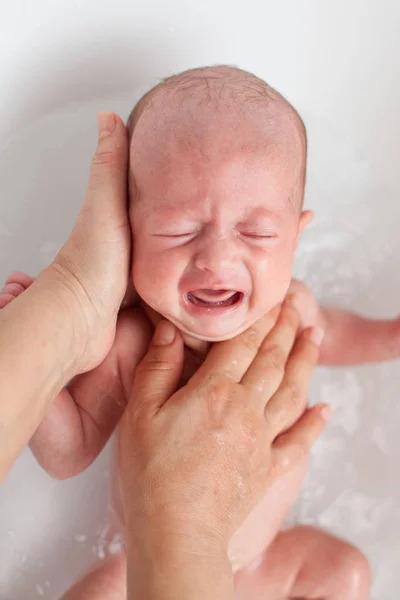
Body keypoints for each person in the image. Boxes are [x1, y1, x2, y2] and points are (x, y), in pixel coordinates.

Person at [3, 65, 393, 597]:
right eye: (178, 230)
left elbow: (337, 336)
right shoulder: (131, 345)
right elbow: (67, 454)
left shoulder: (294, 308)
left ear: (295, 238)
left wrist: (391, 335)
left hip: (262, 565)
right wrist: (35, 353)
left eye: (256, 232)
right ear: (127, 232)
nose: (217, 257)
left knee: (346, 572)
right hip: (142, 570)